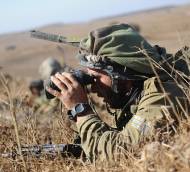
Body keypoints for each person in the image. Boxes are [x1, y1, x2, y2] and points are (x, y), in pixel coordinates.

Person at [46, 24, 189, 162]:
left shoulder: (165, 91)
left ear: (120, 74)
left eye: (96, 78)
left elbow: (121, 153)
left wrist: (80, 109)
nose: (93, 88)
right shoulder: (137, 92)